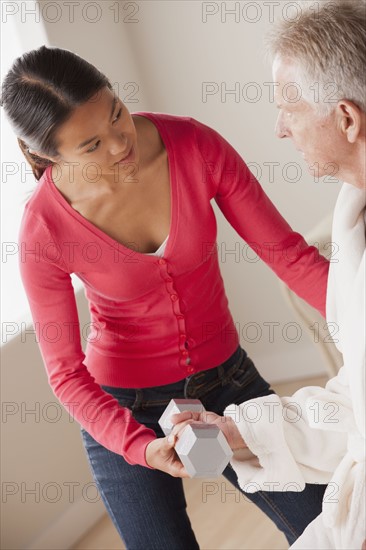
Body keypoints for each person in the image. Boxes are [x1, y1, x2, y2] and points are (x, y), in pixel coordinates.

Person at [1, 45, 330, 549]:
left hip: (230, 383)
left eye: (116, 113)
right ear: (48, 156)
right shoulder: (43, 231)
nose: (119, 143)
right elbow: (66, 375)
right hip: (125, 412)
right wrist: (141, 447)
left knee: (332, 524)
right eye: (91, 145)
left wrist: (361, 313)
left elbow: (288, 254)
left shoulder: (193, 145)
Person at [172, 1, 366, 548]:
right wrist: (239, 431)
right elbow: (358, 405)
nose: (279, 129)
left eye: (289, 107)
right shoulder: (355, 219)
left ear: (346, 118)